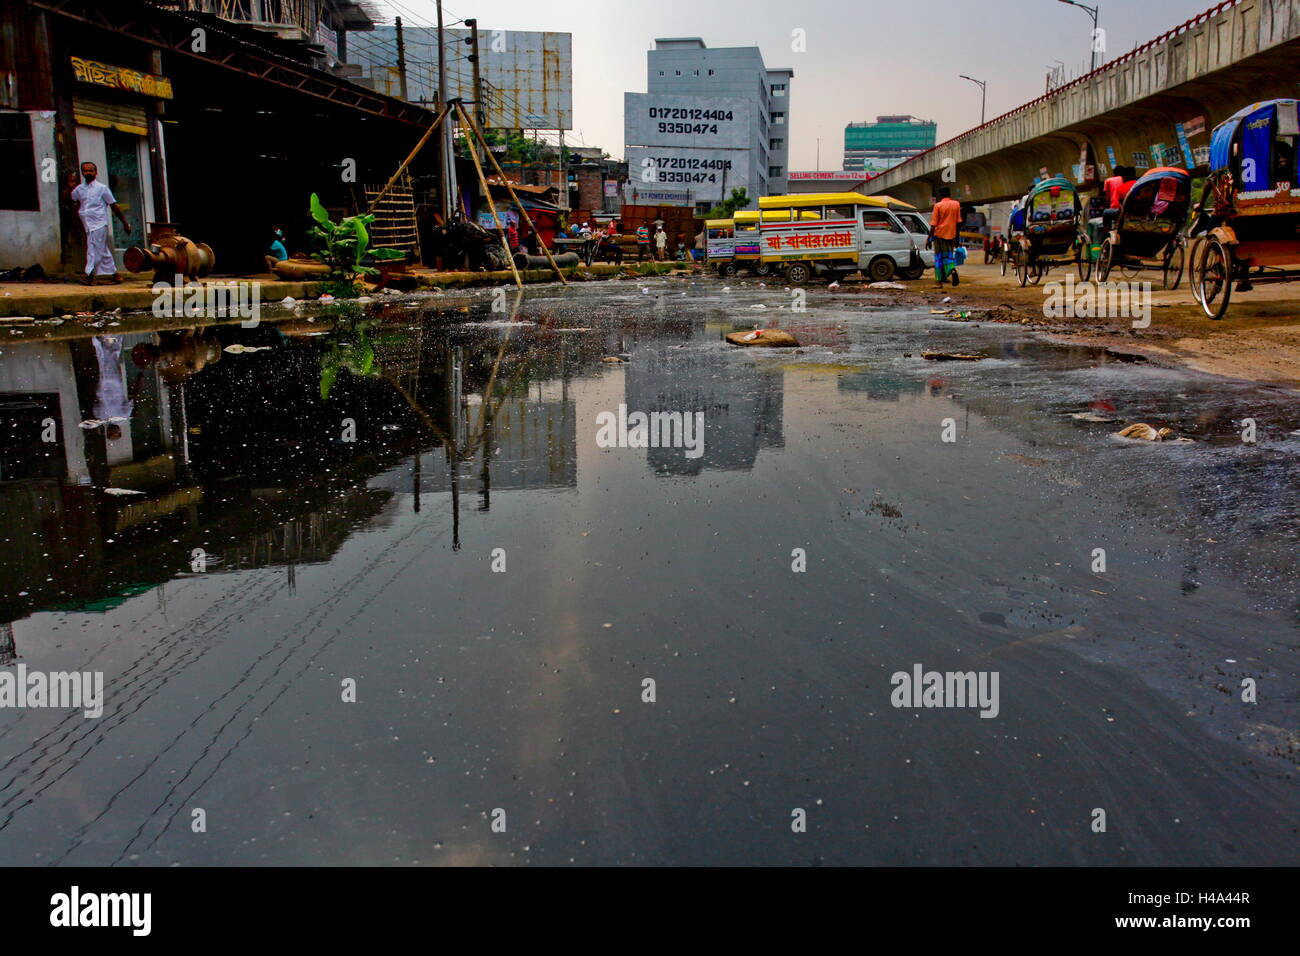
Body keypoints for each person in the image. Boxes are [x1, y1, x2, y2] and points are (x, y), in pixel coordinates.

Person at [69, 162, 130, 286]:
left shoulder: (102, 188)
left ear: (96, 172)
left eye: (91, 171)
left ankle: (90, 276)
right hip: (87, 224)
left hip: (99, 223)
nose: (88, 173)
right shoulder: (79, 189)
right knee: (102, 249)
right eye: (85, 171)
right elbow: (71, 200)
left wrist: (125, 223)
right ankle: (116, 275)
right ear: (82, 173)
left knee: (93, 249)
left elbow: (114, 206)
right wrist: (71, 186)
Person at [927, 186, 962, 287]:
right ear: (949, 194)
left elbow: (933, 225)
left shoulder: (938, 205)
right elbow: (958, 223)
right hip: (952, 236)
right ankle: (952, 270)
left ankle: (939, 282)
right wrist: (957, 238)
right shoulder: (956, 204)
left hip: (939, 235)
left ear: (940, 195)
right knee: (948, 257)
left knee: (939, 259)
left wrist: (929, 239)